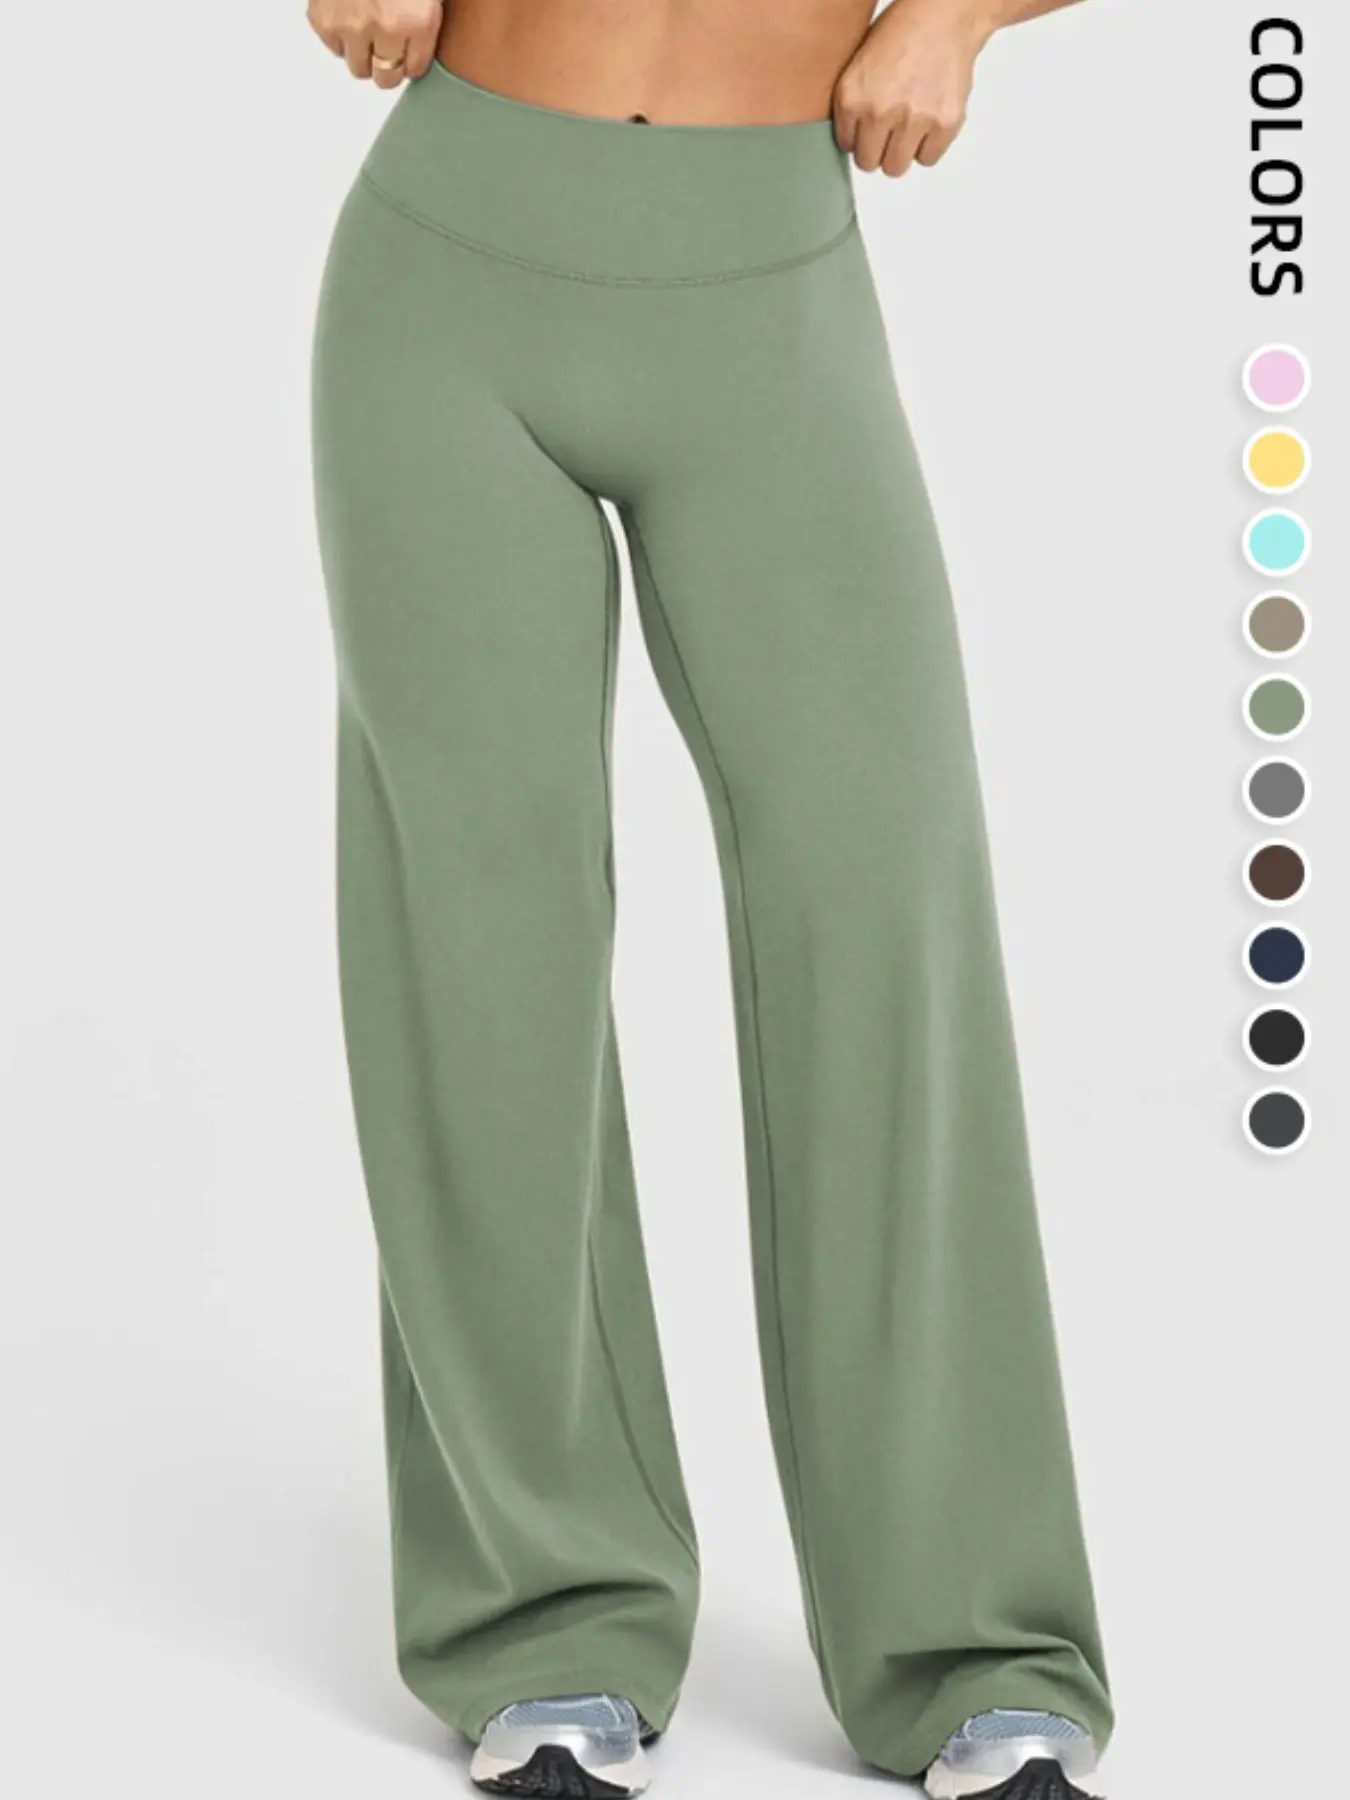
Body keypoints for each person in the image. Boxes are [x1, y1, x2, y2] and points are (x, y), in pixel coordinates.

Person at [306, 1, 1112, 1795]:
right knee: (482, 940)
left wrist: (960, 14)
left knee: (880, 907)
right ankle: (545, 1621)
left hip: (770, 284)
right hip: (448, 267)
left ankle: (971, 1637)